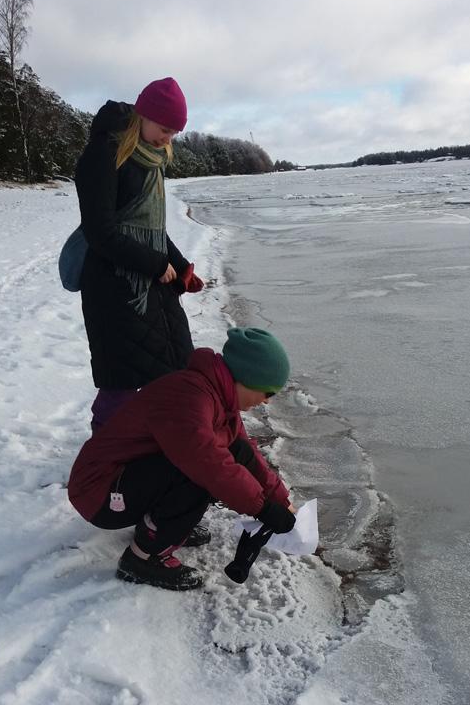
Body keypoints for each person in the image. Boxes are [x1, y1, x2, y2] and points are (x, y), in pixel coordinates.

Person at [68, 327, 298, 591]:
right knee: (199, 475)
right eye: (267, 393)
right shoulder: (189, 398)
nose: (266, 402)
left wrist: (279, 500)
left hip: (124, 479)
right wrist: (262, 509)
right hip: (99, 492)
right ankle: (143, 558)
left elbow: (244, 452)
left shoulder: (217, 396)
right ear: (245, 378)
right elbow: (208, 464)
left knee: (227, 453)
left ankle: (157, 526)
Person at [74, 76, 204, 431]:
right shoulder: (104, 154)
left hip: (148, 283)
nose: (168, 139)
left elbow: (151, 229)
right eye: (165, 128)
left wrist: (179, 266)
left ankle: (154, 443)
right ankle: (103, 456)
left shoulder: (150, 160)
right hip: (113, 287)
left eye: (175, 133)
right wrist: (155, 263)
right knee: (121, 380)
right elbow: (100, 232)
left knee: (174, 364)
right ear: (143, 116)